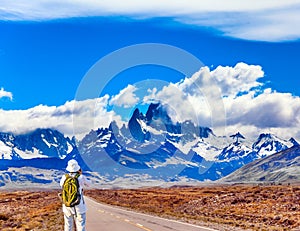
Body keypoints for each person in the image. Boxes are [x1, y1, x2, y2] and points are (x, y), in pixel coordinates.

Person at [60, 159, 91, 231]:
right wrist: (81, 174)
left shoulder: (64, 177)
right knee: (80, 225)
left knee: (68, 225)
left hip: (67, 204)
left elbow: (61, 185)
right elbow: (89, 184)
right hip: (79, 205)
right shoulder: (80, 177)